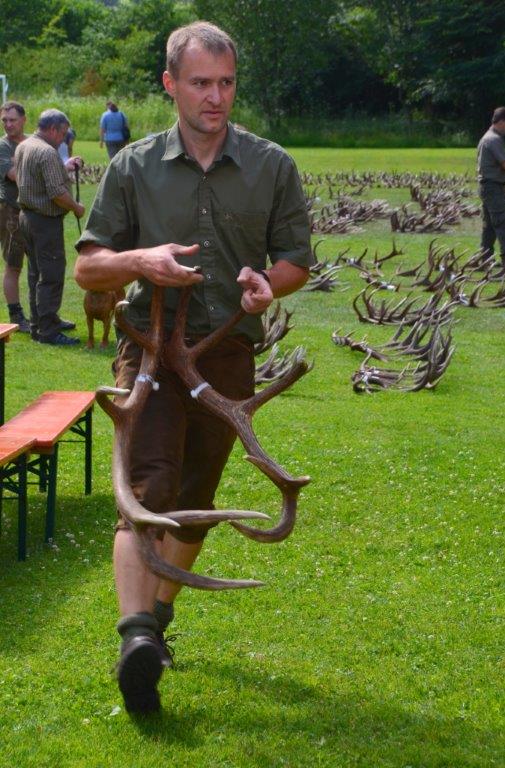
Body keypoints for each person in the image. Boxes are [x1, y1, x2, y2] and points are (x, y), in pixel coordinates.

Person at [75, 20, 311, 714]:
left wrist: (268, 284)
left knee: (196, 498)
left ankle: (157, 622)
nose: (215, 96)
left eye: (226, 82)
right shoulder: (133, 167)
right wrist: (138, 260)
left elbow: (295, 260)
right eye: (201, 82)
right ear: (170, 84)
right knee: (145, 489)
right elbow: (89, 267)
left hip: (226, 355)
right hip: (150, 348)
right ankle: (135, 638)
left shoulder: (272, 166)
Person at [15, 109, 85, 345]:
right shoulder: (47, 152)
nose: (63, 140)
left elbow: (37, 178)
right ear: (53, 129)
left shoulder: (25, 145)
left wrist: (64, 167)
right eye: (63, 134)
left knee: (36, 273)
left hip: (26, 217)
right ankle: (48, 331)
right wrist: (76, 207)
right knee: (51, 274)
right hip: (44, 222)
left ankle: (40, 324)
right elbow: (56, 193)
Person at [0, 101, 30, 331]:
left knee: (39, 264)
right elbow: (14, 176)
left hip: (33, 212)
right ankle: (16, 315)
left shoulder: (31, 142)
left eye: (12, 120)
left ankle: (44, 315)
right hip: (11, 211)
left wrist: (66, 165)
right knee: (14, 265)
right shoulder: (3, 146)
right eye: (4, 120)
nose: (8, 124)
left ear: (23, 120)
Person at [477, 106, 505, 270]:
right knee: (502, 223)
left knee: (489, 226)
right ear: (502, 120)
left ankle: (485, 259)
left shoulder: (488, 137)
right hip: (493, 187)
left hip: (488, 187)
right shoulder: (494, 139)